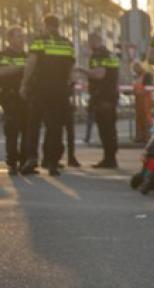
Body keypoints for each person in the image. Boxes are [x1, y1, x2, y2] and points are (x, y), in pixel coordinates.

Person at [19, 15, 76, 176]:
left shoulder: (39, 41)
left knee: (34, 124)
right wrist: (69, 87)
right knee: (55, 127)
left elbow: (31, 64)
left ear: (45, 25)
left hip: (40, 89)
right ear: (58, 26)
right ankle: (52, 163)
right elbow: (71, 70)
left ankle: (31, 159)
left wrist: (24, 84)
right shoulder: (67, 44)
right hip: (60, 91)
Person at [77, 33, 120, 168]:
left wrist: (82, 70)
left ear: (94, 41)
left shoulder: (100, 55)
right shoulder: (109, 54)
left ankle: (109, 159)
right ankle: (110, 157)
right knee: (109, 128)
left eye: (89, 42)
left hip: (103, 96)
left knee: (105, 128)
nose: (89, 45)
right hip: (110, 95)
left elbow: (99, 74)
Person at [0, 26, 27, 175]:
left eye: (23, 36)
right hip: (10, 96)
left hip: (25, 97)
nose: (22, 39)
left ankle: (25, 162)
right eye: (18, 36)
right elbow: (2, 71)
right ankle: (12, 163)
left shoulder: (26, 55)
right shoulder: (4, 55)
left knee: (27, 130)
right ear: (10, 39)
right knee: (12, 130)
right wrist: (21, 67)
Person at [132, 61, 154, 144]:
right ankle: (140, 136)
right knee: (139, 118)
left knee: (146, 117)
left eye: (135, 68)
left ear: (139, 67)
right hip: (138, 99)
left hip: (146, 98)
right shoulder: (137, 76)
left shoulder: (147, 75)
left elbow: (148, 87)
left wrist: (141, 92)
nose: (135, 70)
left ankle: (148, 136)